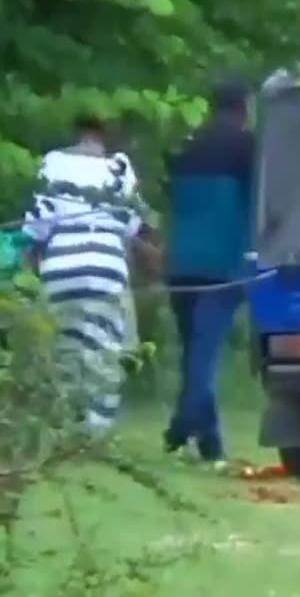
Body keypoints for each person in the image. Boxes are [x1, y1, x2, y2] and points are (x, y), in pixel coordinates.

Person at [22, 114, 151, 435]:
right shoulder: (119, 167)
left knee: (67, 347)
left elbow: (38, 223)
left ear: (76, 131)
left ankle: (65, 424)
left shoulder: (53, 163)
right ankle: (97, 429)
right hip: (107, 263)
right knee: (105, 349)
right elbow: (131, 225)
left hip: (63, 261)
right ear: (105, 135)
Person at [162, 79, 255, 465]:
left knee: (195, 352)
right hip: (223, 263)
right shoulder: (248, 146)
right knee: (205, 353)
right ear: (245, 106)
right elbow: (256, 202)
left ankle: (210, 443)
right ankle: (182, 423)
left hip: (181, 263)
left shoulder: (186, 144)